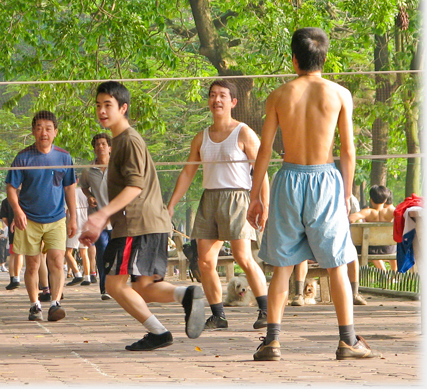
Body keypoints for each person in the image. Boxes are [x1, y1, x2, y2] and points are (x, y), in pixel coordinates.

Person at [247, 27, 379, 361]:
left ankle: (272, 342)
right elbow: (347, 150)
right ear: (324, 57)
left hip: (288, 178)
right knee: (336, 263)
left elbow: (264, 150)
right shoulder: (339, 94)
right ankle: (348, 340)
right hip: (325, 180)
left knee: (283, 265)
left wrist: (255, 195)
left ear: (294, 59)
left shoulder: (278, 96)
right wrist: (346, 194)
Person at [80, 81, 205, 351]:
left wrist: (102, 215)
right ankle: (187, 294)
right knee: (143, 287)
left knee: (113, 284)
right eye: (99, 105)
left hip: (137, 225)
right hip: (148, 223)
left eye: (108, 105)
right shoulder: (119, 141)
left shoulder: (129, 140)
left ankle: (158, 332)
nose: (102, 111)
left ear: (123, 108)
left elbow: (135, 187)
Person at [166, 79, 270, 331]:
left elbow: (261, 170)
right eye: (213, 95)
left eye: (223, 95)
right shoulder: (201, 137)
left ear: (233, 102)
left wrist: (263, 204)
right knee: (204, 262)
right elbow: (188, 173)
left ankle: (266, 310)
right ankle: (218, 316)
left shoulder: (244, 132)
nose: (217, 100)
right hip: (209, 199)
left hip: (237, 198)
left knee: (243, 257)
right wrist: (170, 206)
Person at [5, 110, 77, 322]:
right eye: (39, 128)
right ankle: (35, 304)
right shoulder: (23, 157)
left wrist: (73, 217)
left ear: (55, 132)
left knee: (56, 260)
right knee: (33, 264)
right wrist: (17, 211)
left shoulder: (64, 157)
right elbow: (11, 188)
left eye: (48, 128)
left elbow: (70, 188)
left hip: (57, 218)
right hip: (29, 219)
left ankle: (55, 303)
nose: (43, 133)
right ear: (33, 132)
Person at [80, 133, 113, 300]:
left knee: (116, 253)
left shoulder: (118, 167)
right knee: (102, 250)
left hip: (116, 217)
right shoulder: (88, 170)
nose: (100, 147)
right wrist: (89, 196)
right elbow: (84, 186)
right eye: (97, 144)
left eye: (103, 144)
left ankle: (117, 286)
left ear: (109, 147)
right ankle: (104, 288)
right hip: (97, 217)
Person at [349, 185, 396, 272]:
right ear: (385, 200)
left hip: (371, 249)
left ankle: (384, 273)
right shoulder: (390, 211)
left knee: (370, 248)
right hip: (388, 249)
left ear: (371, 199)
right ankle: (394, 275)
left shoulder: (368, 212)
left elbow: (350, 218)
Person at [0, 195, 23, 290]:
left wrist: (10, 225)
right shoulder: (26, 197)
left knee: (14, 254)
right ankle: (42, 282)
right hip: (27, 228)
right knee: (21, 253)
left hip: (13, 231)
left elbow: (4, 218)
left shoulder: (6, 201)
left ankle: (14, 279)